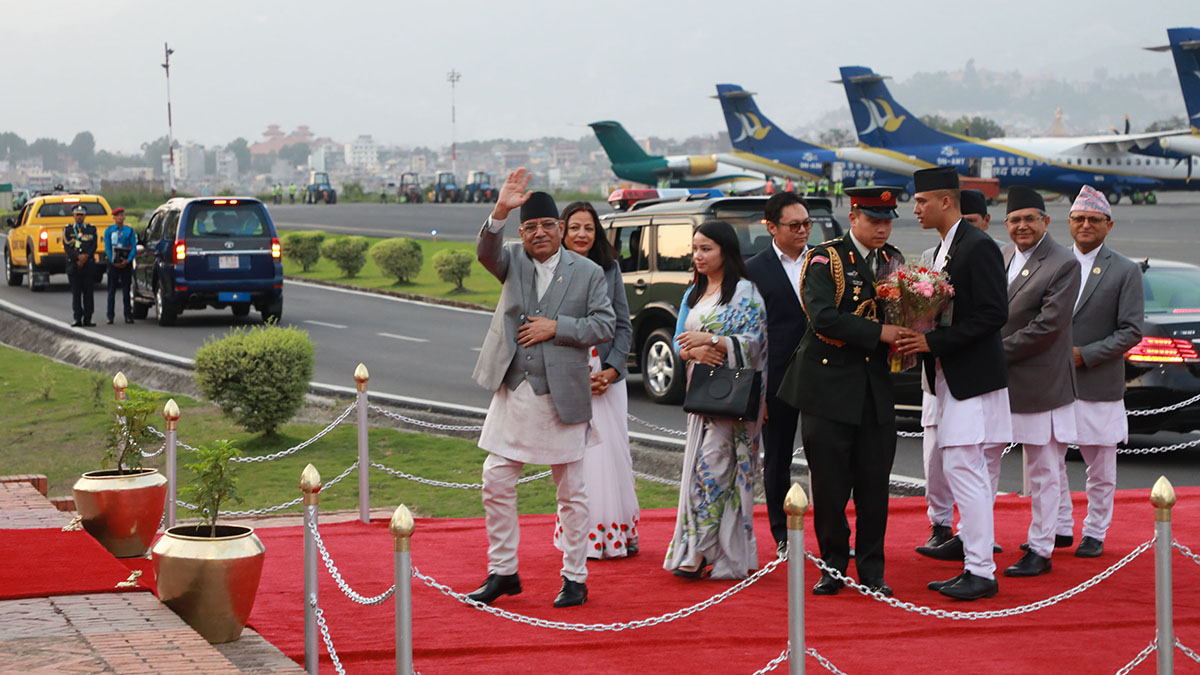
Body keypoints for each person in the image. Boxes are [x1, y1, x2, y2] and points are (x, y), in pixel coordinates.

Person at [467, 168, 616, 608]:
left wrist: (558, 327)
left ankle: (575, 577)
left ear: (561, 229)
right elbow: (485, 251)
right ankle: (503, 572)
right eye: (529, 227)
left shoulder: (588, 272)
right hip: (514, 388)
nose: (539, 233)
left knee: (571, 491)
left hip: (564, 394)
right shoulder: (510, 258)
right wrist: (499, 209)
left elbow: (605, 325)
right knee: (495, 478)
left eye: (547, 225)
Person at [778, 185, 906, 596]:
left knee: (874, 486)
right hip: (827, 388)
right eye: (874, 220)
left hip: (873, 390)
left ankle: (872, 571)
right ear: (853, 218)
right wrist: (881, 332)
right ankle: (833, 565)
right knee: (830, 487)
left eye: (887, 220)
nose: (882, 228)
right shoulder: (825, 258)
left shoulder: (894, 260)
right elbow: (823, 318)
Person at [897, 166, 1011, 601]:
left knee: (966, 471)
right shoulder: (946, 249)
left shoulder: (976, 246)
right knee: (964, 471)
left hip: (972, 379)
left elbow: (992, 314)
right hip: (949, 377)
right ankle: (976, 563)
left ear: (945, 201)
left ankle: (981, 570)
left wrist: (931, 341)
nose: (916, 208)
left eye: (922, 201)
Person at [664, 220, 767, 580]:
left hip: (733, 404)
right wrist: (695, 352)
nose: (698, 256)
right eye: (694, 249)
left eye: (706, 249)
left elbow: (755, 344)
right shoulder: (693, 293)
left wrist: (713, 343)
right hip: (702, 397)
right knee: (699, 470)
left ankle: (700, 551)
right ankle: (701, 548)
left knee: (713, 470)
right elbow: (679, 341)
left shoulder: (745, 292)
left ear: (725, 250)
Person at [1055, 186, 1143, 558]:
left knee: (1101, 466)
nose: (1086, 225)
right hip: (1053, 383)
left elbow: (1131, 330)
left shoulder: (1124, 270)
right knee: (1048, 461)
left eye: (1094, 220)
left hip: (1097, 381)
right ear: (1069, 223)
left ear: (1109, 225)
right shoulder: (1054, 264)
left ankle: (1095, 531)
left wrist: (1085, 355)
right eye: (1079, 219)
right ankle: (1058, 527)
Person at [998, 185, 1081, 579]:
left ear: (1046, 221)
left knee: (1045, 468)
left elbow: (1047, 327)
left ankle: (1042, 547)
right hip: (1000, 382)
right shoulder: (1001, 257)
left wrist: (991, 352)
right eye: (1015, 219)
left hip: (1041, 382)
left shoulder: (1063, 263)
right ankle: (973, 539)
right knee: (983, 462)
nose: (1022, 226)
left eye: (1030, 218)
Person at [551, 200, 640, 559]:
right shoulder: (550, 270)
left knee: (614, 457)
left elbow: (623, 325)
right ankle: (580, 538)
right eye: (575, 228)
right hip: (569, 379)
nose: (582, 234)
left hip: (608, 381)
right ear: (562, 230)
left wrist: (613, 369)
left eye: (589, 228)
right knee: (578, 461)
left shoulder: (609, 269)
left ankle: (619, 535)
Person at [746, 191, 812, 558]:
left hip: (823, 375)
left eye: (807, 224)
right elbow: (752, 334)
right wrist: (759, 389)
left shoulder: (823, 259)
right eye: (794, 225)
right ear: (771, 226)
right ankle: (783, 536)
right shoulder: (754, 270)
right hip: (777, 380)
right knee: (777, 459)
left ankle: (832, 535)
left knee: (828, 458)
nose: (802, 231)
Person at [63, 204, 98, 327]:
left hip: (88, 265)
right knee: (76, 293)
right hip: (74, 265)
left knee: (88, 293)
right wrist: (77, 257)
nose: (79, 217)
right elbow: (67, 247)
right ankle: (77, 318)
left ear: (85, 216)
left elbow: (94, 245)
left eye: (81, 215)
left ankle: (88, 318)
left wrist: (85, 256)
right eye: (77, 215)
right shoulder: (68, 230)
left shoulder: (91, 229)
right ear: (73, 216)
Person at [103, 207, 136, 324]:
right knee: (111, 290)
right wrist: (113, 261)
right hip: (113, 264)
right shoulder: (109, 231)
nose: (120, 218)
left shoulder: (129, 230)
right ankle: (110, 315)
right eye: (118, 216)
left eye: (122, 215)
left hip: (126, 263)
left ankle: (128, 314)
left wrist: (129, 260)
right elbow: (107, 248)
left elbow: (133, 247)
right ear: (114, 218)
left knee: (126, 290)